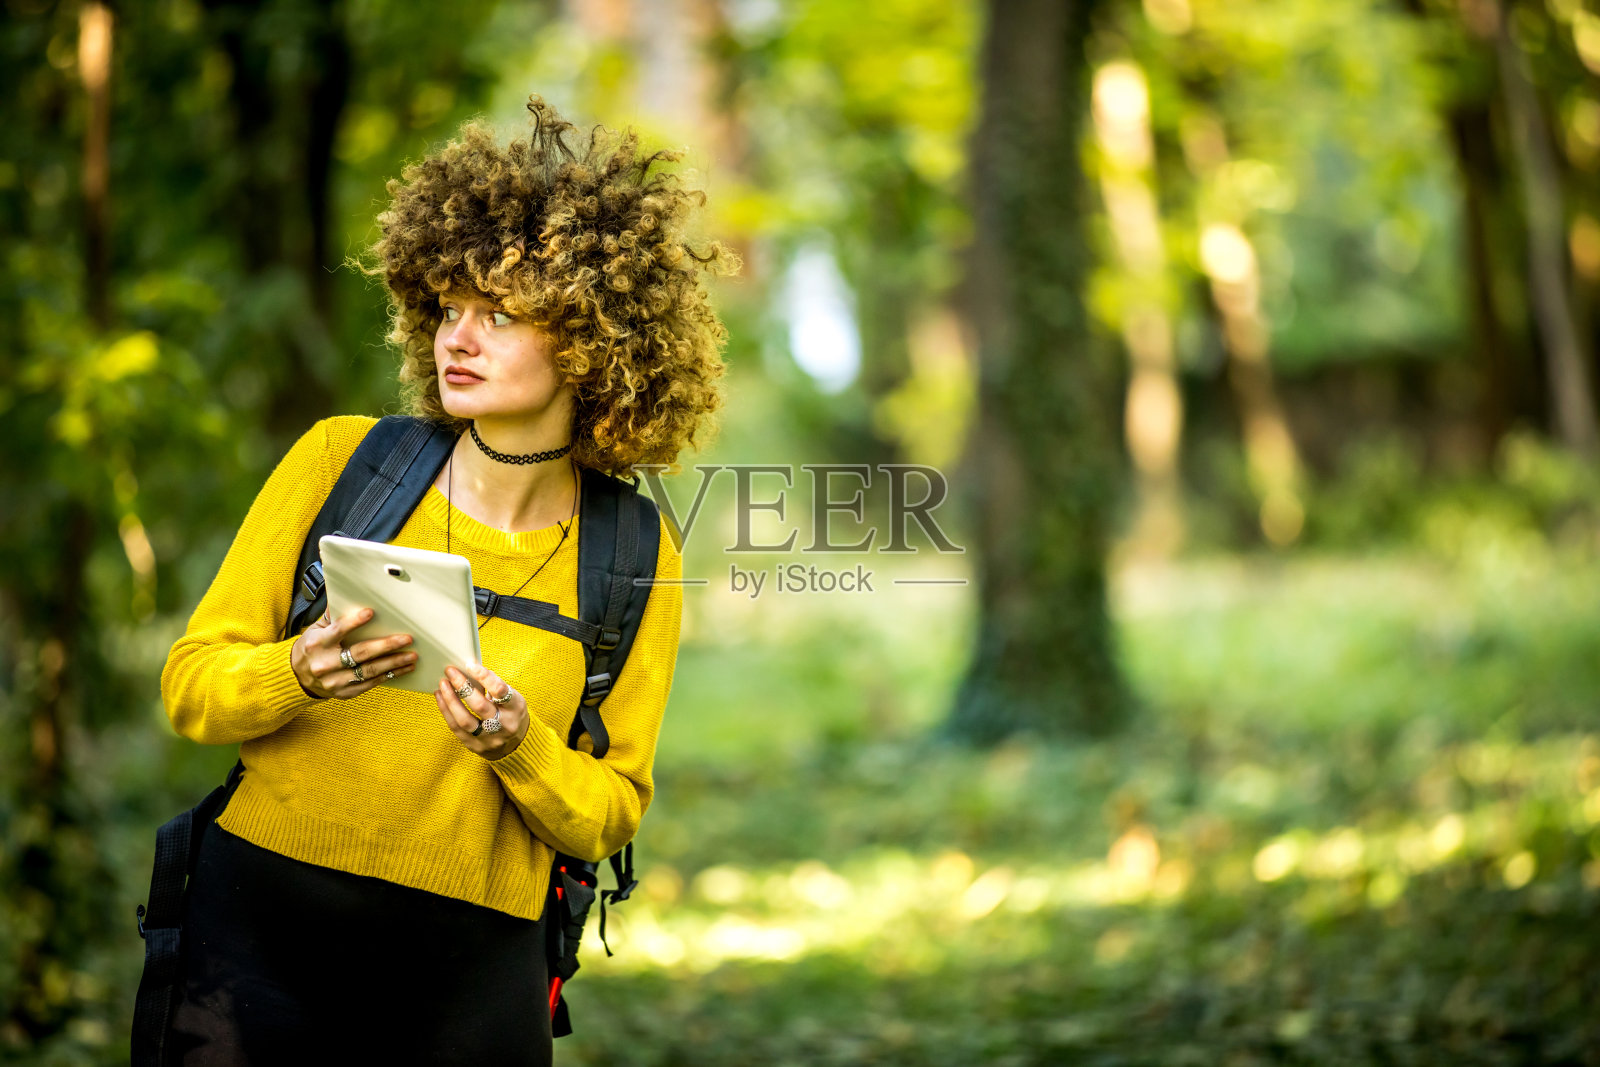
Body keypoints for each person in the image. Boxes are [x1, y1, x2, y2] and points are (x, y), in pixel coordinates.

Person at [156, 95, 736, 1064]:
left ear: (595, 340)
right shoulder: (345, 462)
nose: (455, 338)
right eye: (446, 308)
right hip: (257, 924)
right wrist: (294, 670)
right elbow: (191, 687)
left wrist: (520, 747)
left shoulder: (634, 546)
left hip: (473, 963)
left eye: (499, 314)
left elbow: (611, 808)